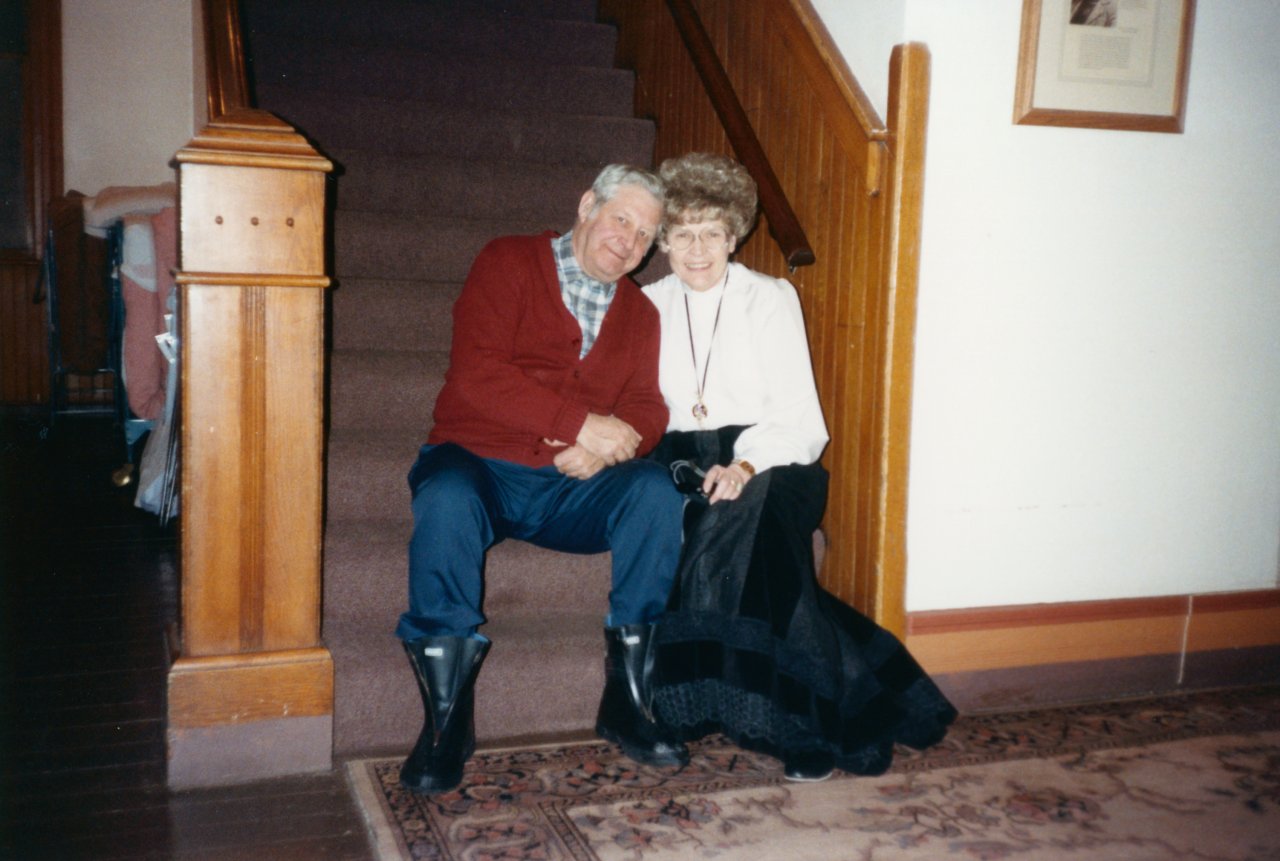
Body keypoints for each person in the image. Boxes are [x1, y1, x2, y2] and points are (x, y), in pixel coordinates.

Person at [641, 152, 957, 782]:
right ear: (662, 241)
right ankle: (827, 709)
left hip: (778, 459)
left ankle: (802, 726)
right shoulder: (645, 305)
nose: (697, 248)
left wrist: (746, 464)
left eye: (712, 233)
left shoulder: (768, 298)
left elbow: (801, 420)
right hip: (684, 462)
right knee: (776, 571)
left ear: (735, 236)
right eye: (682, 234)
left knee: (745, 521)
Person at [396, 164, 689, 795]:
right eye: (621, 220)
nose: (630, 242)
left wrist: (609, 450)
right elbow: (476, 372)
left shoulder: (640, 313)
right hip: (478, 464)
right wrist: (581, 423)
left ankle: (628, 699)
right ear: (588, 205)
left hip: (568, 490)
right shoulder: (508, 261)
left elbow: (648, 407)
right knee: (445, 498)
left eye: (645, 235)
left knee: (655, 493)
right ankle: (447, 721)